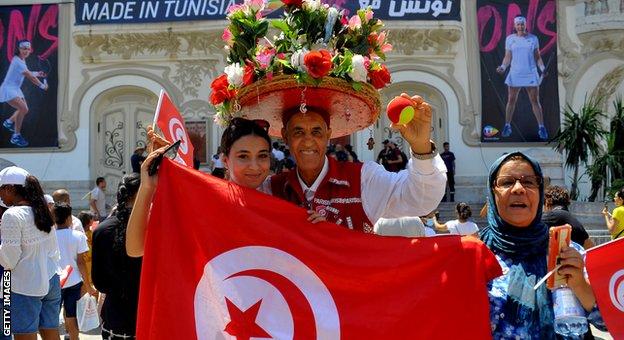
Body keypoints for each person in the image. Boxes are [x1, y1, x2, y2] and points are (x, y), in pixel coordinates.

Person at [127, 118, 326, 257]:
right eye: (243, 156)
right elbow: (136, 248)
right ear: (225, 160)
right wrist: (147, 187)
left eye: (262, 156)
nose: (255, 166)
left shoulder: (282, 198)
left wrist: (318, 231)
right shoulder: (204, 201)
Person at [481, 152, 606, 338]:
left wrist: (579, 284)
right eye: (507, 182)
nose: (518, 189)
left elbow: (609, 323)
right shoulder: (477, 254)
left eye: (529, 182)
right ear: (493, 192)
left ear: (540, 194)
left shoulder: (568, 252)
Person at [0, 166, 61, 340]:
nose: (0, 196)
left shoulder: (12, 215)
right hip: (51, 278)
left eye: (1, 191)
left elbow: (9, 261)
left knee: (25, 335)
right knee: (51, 332)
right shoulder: (41, 210)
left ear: (10, 188)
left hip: (26, 284)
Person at [92, 173, 143, 339]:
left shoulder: (102, 229)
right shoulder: (155, 227)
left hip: (115, 317)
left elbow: (100, 282)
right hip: (147, 314)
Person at [496, 16, 548, 140]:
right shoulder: (510, 39)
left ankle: (541, 127)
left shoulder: (533, 38)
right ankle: (507, 125)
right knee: (511, 100)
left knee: (535, 101)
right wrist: (503, 67)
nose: (520, 26)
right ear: (515, 26)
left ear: (525, 25)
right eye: (518, 24)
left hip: (530, 72)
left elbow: (537, 57)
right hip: (515, 73)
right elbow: (507, 57)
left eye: (522, 24)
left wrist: (542, 68)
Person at [53, 202, 96, 340]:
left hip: (55, 280)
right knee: (71, 314)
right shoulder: (78, 236)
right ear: (69, 218)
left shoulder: (49, 236)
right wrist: (88, 285)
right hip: (74, 280)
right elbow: (81, 262)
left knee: (53, 315)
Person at [0, 40, 49, 147]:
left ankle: (8, 122)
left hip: (15, 89)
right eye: (24, 48)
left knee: (23, 109)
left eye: (28, 49)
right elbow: (30, 77)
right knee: (23, 109)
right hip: (8, 89)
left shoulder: (21, 60)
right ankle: (16, 136)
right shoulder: (18, 61)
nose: (26, 51)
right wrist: (42, 86)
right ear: (19, 49)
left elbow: (26, 72)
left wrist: (37, 73)